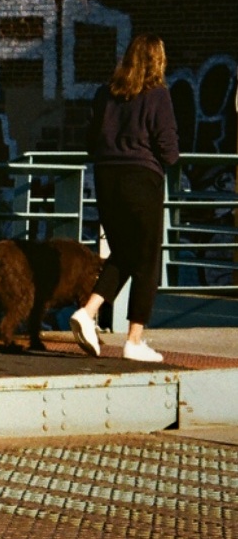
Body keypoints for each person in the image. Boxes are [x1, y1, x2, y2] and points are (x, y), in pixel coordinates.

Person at [69, 33, 180, 364]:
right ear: (157, 61)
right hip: (141, 181)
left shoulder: (106, 94)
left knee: (125, 254)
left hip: (105, 180)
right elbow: (169, 152)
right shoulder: (158, 95)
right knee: (147, 260)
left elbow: (91, 140)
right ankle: (134, 339)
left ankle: (88, 312)